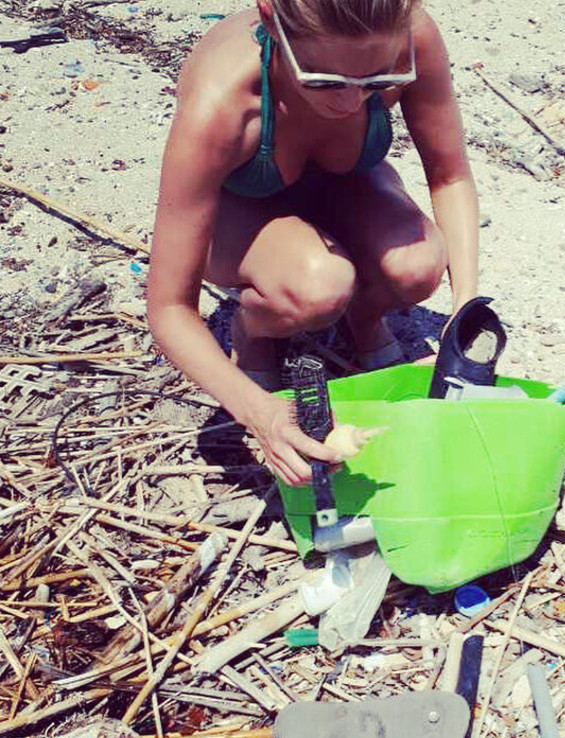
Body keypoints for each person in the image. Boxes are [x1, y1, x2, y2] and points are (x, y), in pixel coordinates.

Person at [147, 0, 479, 487]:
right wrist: (260, 413)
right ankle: (254, 333)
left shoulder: (410, 35)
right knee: (317, 286)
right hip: (242, 210)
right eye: (325, 82)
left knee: (418, 264)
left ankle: (363, 320)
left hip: (342, 187)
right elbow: (169, 309)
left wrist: (464, 308)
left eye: (376, 82)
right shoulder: (223, 101)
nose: (351, 103)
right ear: (270, 21)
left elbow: (449, 176)